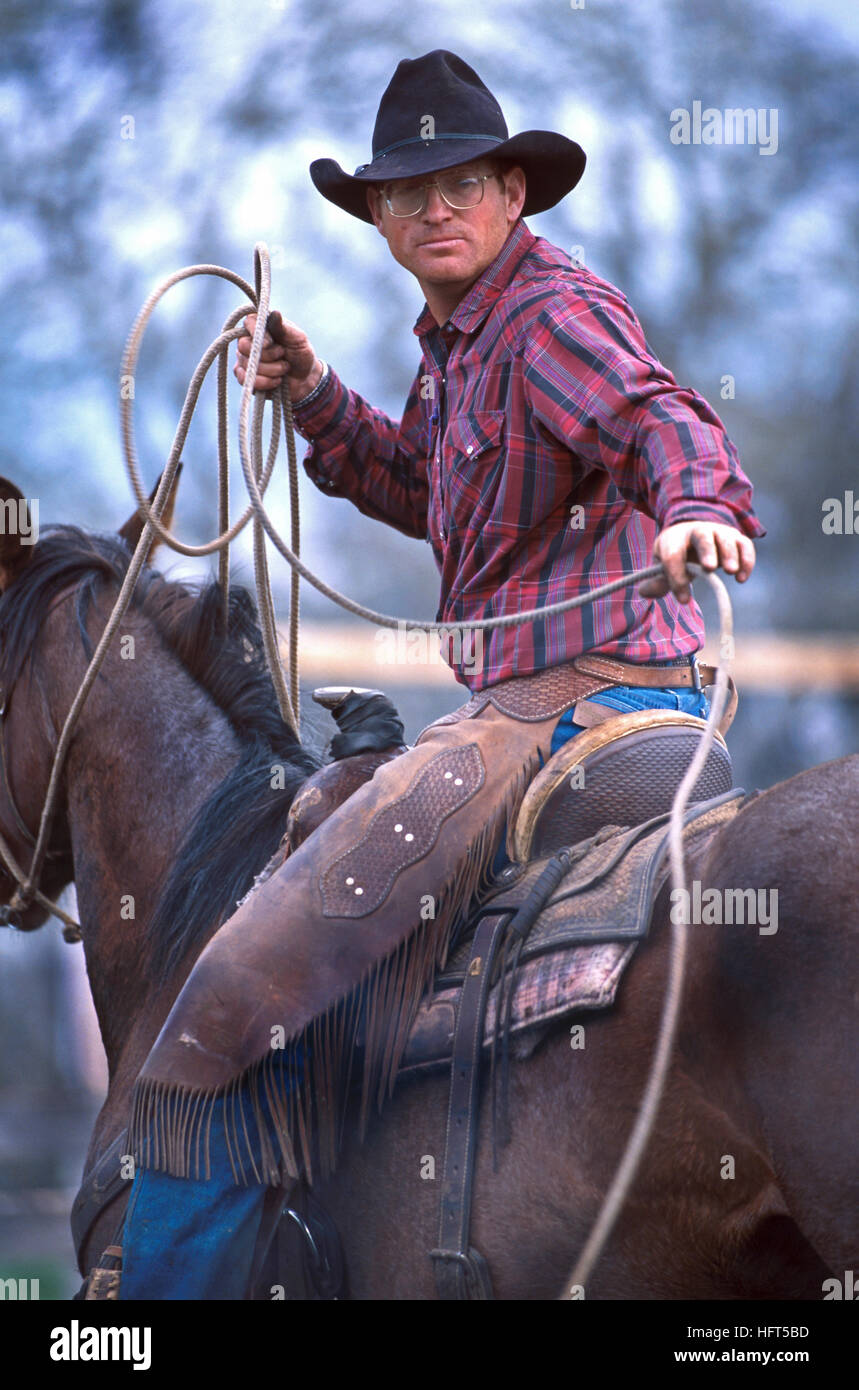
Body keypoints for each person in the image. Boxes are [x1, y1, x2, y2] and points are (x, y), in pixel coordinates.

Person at [117, 49, 764, 1300]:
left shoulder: (543, 312)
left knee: (241, 992)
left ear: (513, 193)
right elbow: (427, 488)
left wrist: (693, 502)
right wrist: (311, 395)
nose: (433, 211)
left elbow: (658, 417)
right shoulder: (462, 338)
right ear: (377, 219)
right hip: (536, 699)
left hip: (576, 700)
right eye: (404, 194)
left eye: (462, 183)